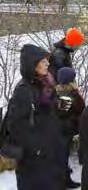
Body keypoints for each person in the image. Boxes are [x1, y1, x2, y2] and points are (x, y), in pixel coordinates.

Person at [6, 44, 66, 190]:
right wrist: (37, 149)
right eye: (43, 61)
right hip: (34, 163)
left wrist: (58, 105)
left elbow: (43, 113)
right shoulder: (23, 91)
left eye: (47, 60)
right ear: (32, 64)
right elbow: (15, 127)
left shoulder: (43, 84)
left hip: (48, 157)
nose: (48, 63)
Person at [55, 67, 85, 189]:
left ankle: (60, 178)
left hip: (57, 128)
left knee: (59, 155)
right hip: (67, 129)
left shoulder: (54, 92)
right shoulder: (73, 94)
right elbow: (81, 109)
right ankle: (64, 181)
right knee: (63, 156)